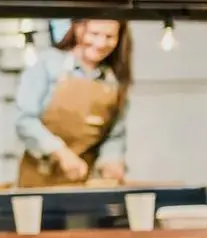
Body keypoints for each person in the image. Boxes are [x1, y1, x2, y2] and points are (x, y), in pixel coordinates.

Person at [14, 19, 133, 187]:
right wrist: (61, 153)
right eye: (94, 34)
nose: (101, 43)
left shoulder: (113, 82)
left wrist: (111, 161)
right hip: (37, 179)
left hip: (83, 183)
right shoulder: (48, 63)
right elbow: (24, 120)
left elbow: (115, 136)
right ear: (78, 29)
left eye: (109, 36)